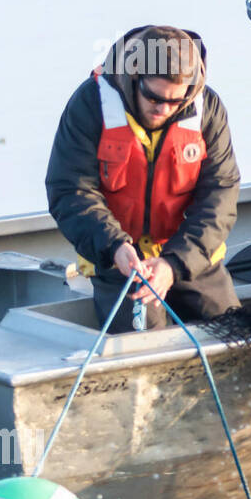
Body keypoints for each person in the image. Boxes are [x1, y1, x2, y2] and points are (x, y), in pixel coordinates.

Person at [46, 25, 240, 332]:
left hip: (192, 256)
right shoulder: (89, 105)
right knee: (143, 343)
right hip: (120, 261)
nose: (163, 109)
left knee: (235, 334)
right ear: (134, 78)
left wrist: (174, 264)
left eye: (176, 101)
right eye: (154, 97)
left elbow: (221, 194)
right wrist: (114, 248)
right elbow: (70, 191)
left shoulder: (208, 109)